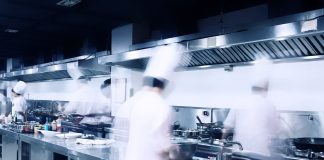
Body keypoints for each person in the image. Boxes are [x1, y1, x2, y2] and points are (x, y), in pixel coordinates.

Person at [124, 44, 185, 160]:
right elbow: (161, 145)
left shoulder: (136, 100)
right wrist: (174, 148)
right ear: (167, 83)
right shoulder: (161, 106)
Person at [224, 58, 280, 157]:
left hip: (239, 153)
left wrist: (222, 142)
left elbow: (227, 127)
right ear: (266, 88)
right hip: (259, 155)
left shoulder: (240, 101)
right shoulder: (269, 105)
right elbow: (275, 133)